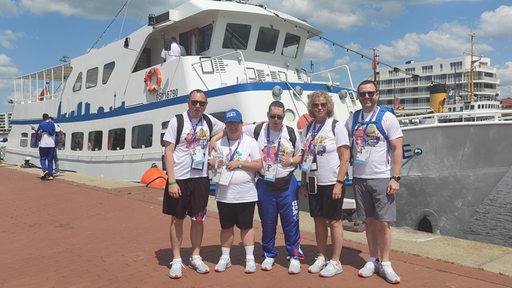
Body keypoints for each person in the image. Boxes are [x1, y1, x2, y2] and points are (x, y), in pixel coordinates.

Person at [162, 89, 225, 279]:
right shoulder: (177, 121)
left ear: (206, 105)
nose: (198, 106)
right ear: (188, 102)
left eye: (202, 103)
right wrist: (171, 181)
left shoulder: (208, 121)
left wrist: (213, 139)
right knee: (177, 219)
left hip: (200, 178)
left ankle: (195, 256)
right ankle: (176, 259)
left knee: (198, 219)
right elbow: (169, 152)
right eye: (194, 102)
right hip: (180, 178)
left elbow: (225, 128)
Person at [346, 80, 403, 284]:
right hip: (360, 178)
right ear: (358, 96)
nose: (367, 97)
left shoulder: (387, 117)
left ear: (377, 94)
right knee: (368, 221)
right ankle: (372, 258)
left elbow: (397, 148)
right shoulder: (352, 118)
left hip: (381, 177)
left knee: (384, 223)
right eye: (363, 94)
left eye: (370, 93)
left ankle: (386, 263)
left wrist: (395, 178)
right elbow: (344, 144)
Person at [242, 101, 304, 274]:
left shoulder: (291, 132)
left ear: (283, 117)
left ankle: (293, 255)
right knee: (267, 222)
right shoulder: (258, 130)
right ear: (267, 115)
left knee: (291, 221)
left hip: (287, 185)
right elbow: (235, 127)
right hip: (265, 184)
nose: (276, 120)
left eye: (279, 117)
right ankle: (269, 254)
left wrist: (291, 161)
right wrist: (215, 140)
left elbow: (300, 155)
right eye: (272, 116)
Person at [300, 90, 350, 278]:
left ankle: (335, 261)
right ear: (311, 108)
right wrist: (303, 182)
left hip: (331, 182)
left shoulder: (336, 126)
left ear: (327, 106)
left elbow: (345, 157)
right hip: (313, 182)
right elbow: (305, 156)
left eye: (322, 104)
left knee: (334, 221)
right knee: (318, 220)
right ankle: (321, 256)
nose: (319, 107)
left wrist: (339, 182)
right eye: (315, 105)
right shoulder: (308, 128)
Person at [208, 109, 262, 274]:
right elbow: (210, 163)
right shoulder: (219, 143)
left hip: (246, 193)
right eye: (229, 123)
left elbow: (258, 165)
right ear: (226, 125)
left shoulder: (250, 142)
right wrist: (213, 163)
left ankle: (250, 258)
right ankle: (225, 258)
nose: (232, 127)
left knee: (246, 227)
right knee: (226, 227)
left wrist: (240, 164)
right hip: (224, 194)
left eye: (235, 123)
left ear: (241, 124)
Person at [33, 113, 59, 180]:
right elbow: (60, 131)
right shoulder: (53, 124)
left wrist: (35, 131)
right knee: (50, 159)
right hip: (52, 145)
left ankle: (45, 170)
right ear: (48, 117)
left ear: (43, 118)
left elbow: (38, 133)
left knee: (43, 158)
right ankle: (50, 175)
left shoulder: (41, 124)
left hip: (43, 145)